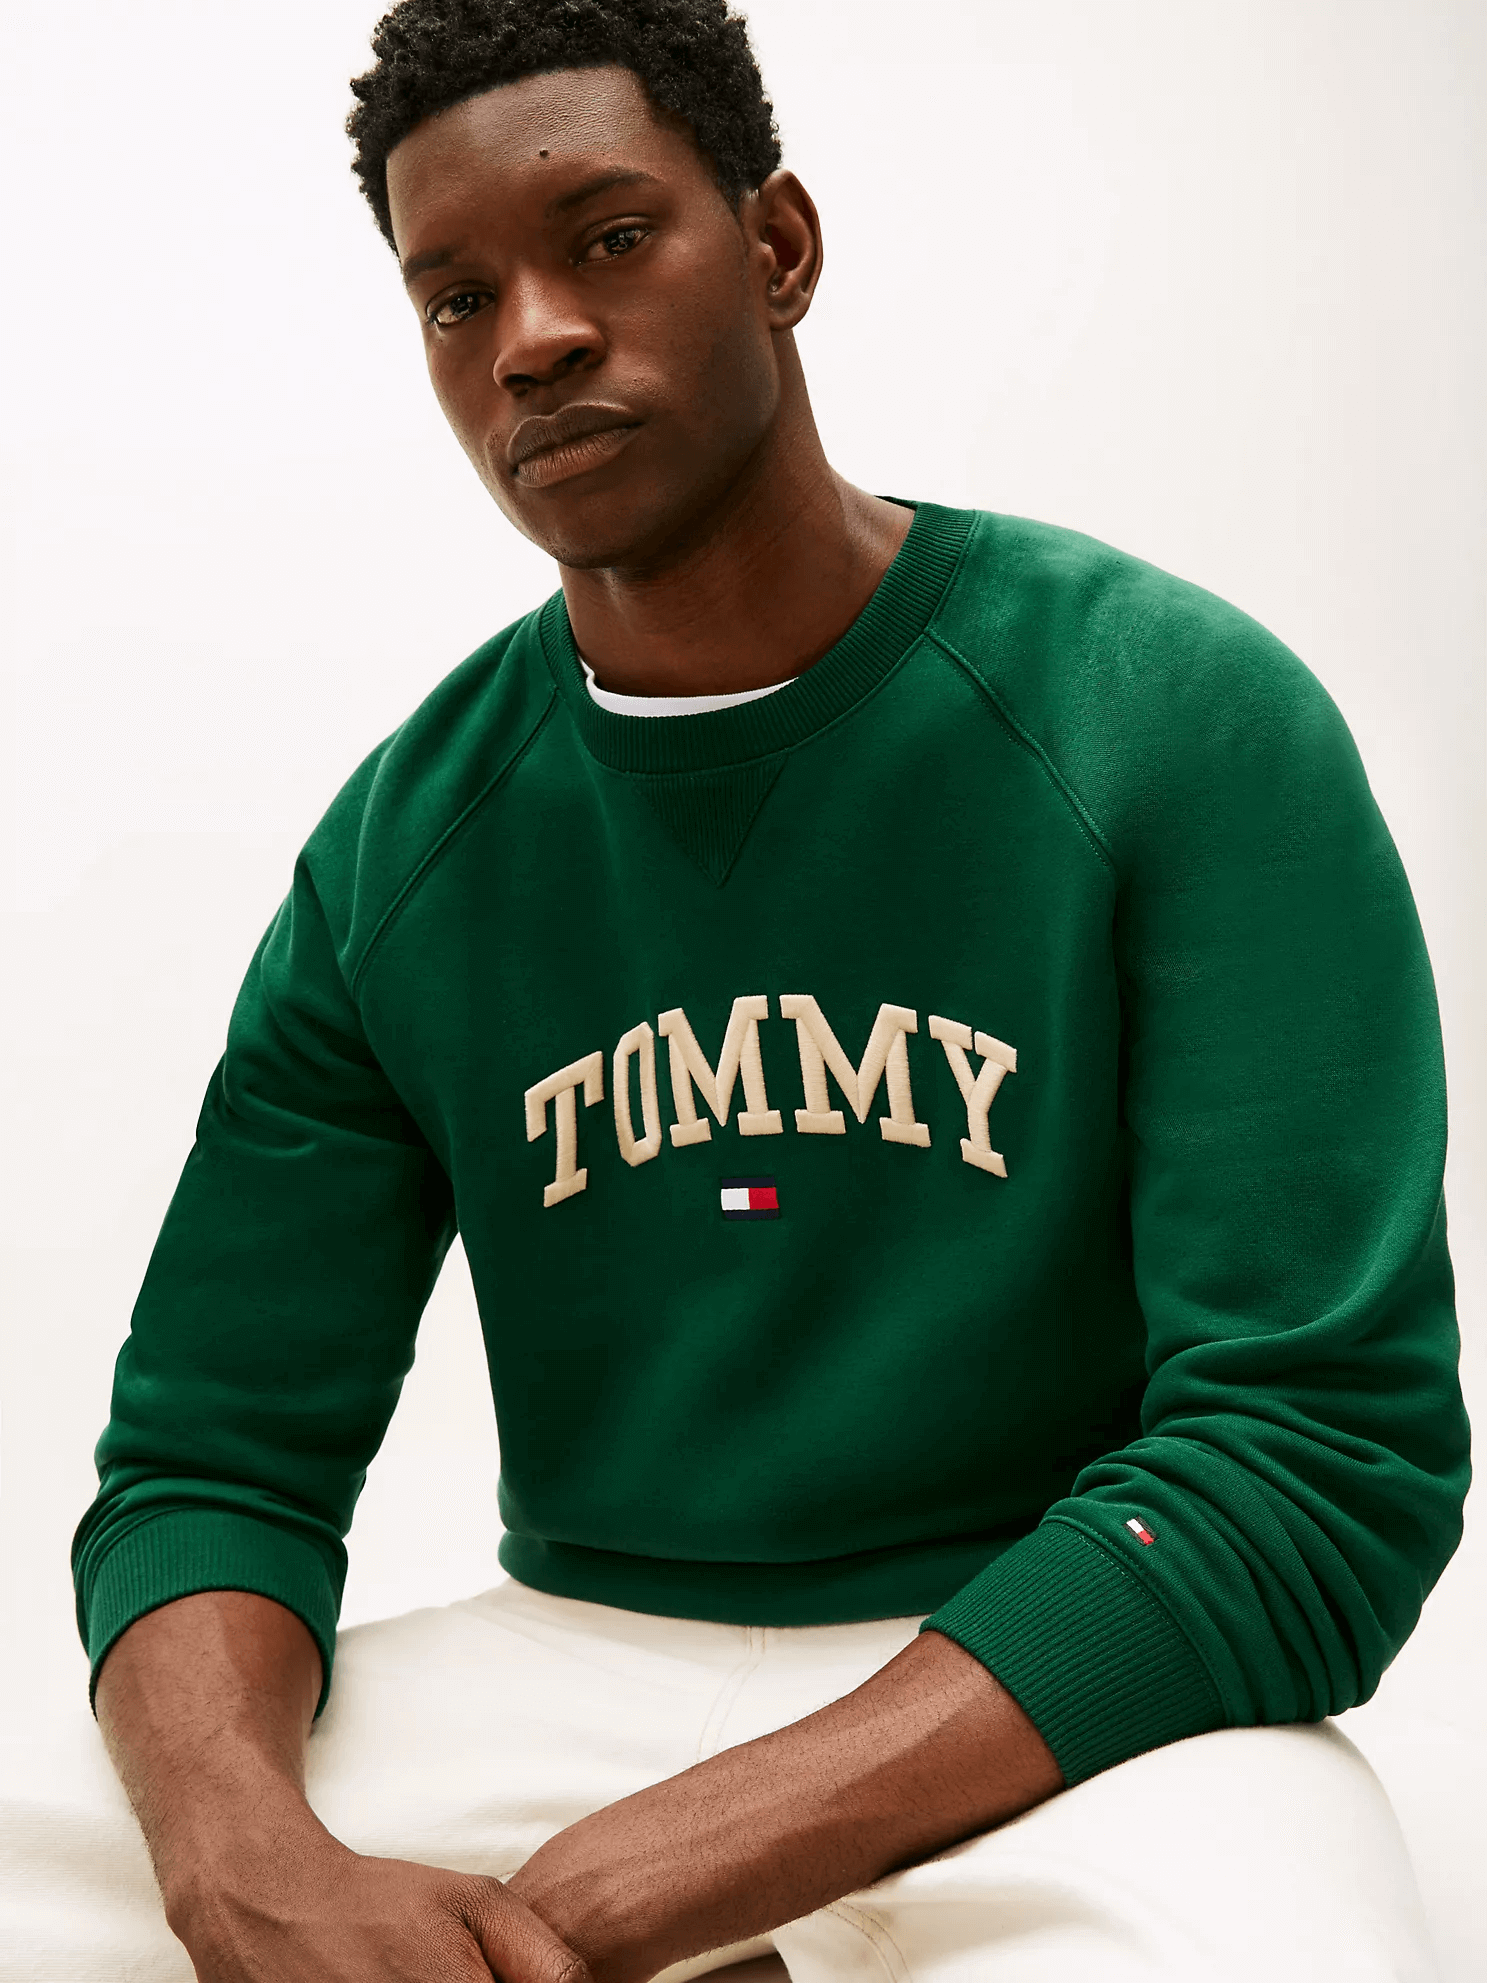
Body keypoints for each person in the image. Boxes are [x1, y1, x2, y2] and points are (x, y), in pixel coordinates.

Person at [10, 1, 1467, 1978]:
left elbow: (1310, 1454)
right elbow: (210, 1461)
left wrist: (644, 1886)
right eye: (455, 298)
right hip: (569, 1665)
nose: (529, 339)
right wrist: (240, 1862)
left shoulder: (1165, 712)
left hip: (1074, 1681)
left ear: (774, 246)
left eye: (609, 238)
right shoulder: (404, 850)